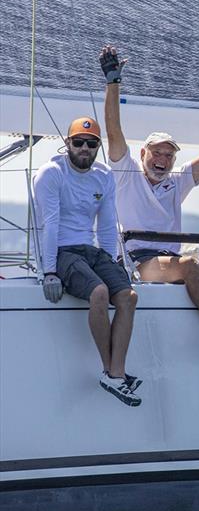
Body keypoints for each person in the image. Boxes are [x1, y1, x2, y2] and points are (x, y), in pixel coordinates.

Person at [100, 44, 199, 358]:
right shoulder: (125, 172)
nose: (162, 159)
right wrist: (113, 82)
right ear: (143, 154)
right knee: (190, 264)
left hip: (166, 261)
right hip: (136, 261)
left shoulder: (177, 182)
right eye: (157, 152)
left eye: (169, 154)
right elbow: (113, 129)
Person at [33, 117, 141, 407]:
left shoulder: (104, 175)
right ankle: (113, 374)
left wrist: (111, 259)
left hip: (91, 250)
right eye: (78, 142)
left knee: (129, 296)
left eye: (91, 143)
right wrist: (50, 271)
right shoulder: (51, 173)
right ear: (67, 143)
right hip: (63, 250)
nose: (84, 148)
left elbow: (107, 226)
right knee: (100, 293)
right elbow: (50, 223)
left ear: (97, 147)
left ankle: (115, 373)